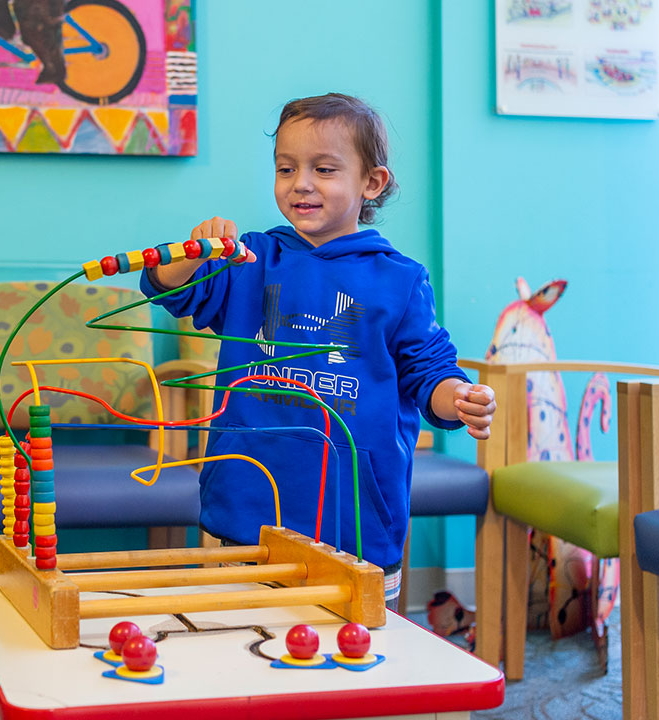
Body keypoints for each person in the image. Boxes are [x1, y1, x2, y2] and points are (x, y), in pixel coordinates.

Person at [140, 93, 496, 611]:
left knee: (353, 647)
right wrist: (193, 257)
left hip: (354, 519)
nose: (301, 183)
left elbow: (429, 370)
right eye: (286, 168)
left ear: (371, 182)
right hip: (245, 507)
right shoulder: (249, 258)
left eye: (324, 169)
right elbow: (171, 290)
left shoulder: (400, 280)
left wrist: (457, 396)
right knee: (239, 640)